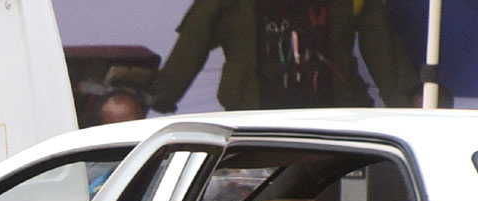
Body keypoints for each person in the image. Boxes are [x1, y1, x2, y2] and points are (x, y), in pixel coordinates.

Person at [150, 0, 419, 113]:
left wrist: (409, 99)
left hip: (333, 116)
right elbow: (195, 37)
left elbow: (380, 41)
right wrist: (162, 96)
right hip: (256, 119)